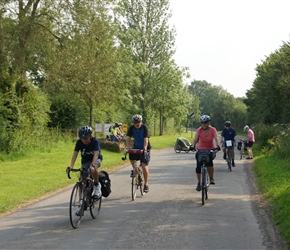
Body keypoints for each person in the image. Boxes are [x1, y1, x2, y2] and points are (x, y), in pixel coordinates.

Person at [67, 126, 103, 198]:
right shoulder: (79, 142)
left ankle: (96, 185)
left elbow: (96, 154)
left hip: (96, 159)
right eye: (82, 139)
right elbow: (75, 154)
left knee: (93, 169)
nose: (84, 140)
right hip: (85, 161)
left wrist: (92, 165)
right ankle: (82, 200)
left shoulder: (95, 141)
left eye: (86, 138)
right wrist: (71, 166)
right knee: (82, 179)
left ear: (90, 136)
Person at [191, 115, 220, 191]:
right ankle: (199, 183)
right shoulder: (199, 130)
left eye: (205, 123)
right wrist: (192, 145)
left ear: (208, 123)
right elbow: (195, 139)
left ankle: (211, 178)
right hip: (201, 150)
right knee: (198, 166)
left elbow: (216, 138)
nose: (204, 124)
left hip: (210, 149)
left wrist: (218, 145)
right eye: (202, 123)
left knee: (209, 162)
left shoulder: (213, 130)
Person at [126, 114, 151, 193]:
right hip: (136, 147)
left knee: (144, 166)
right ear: (133, 123)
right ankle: (135, 169)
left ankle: (146, 184)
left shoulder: (144, 127)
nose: (137, 124)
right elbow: (128, 138)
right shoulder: (131, 128)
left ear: (141, 122)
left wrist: (145, 148)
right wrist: (128, 147)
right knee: (131, 156)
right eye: (135, 122)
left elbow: (146, 139)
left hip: (145, 148)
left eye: (138, 122)